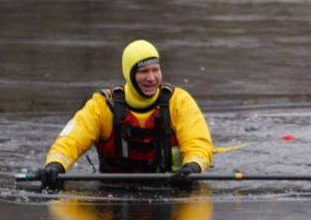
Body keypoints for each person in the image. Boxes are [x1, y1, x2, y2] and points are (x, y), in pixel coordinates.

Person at [38, 39, 213, 190]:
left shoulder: (179, 101)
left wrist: (193, 167)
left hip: (171, 187)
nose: (151, 78)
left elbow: (198, 144)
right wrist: (55, 165)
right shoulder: (102, 106)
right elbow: (71, 140)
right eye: (143, 72)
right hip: (114, 189)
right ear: (129, 75)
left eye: (155, 70)